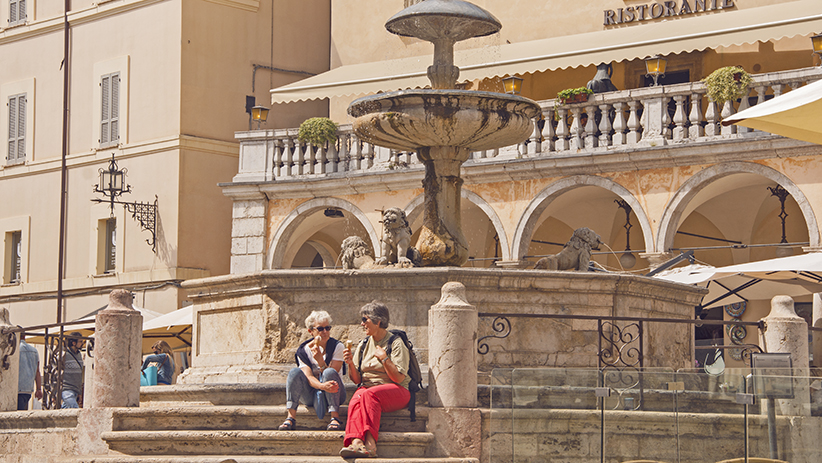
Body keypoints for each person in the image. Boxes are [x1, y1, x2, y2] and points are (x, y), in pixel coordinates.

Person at [339, 301, 410, 459]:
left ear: (378, 322)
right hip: (369, 390)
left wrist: (385, 359)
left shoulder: (396, 343)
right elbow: (357, 379)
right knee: (356, 398)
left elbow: (399, 378)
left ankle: (370, 445)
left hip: (397, 390)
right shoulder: (363, 344)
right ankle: (357, 442)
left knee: (368, 395)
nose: (362, 324)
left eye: (365, 320)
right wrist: (350, 364)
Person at [279, 310, 346, 431]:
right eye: (320, 329)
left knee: (328, 372)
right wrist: (321, 386)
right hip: (312, 393)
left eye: (327, 328)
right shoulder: (303, 351)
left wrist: (320, 361)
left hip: (335, 392)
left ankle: (335, 417)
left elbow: (333, 373)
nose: (325, 332)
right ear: (311, 331)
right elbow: (308, 377)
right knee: (294, 372)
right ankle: (290, 417)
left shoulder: (338, 346)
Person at [17, 331, 42, 410]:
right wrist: (38, 389)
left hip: (17, 389)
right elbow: (37, 371)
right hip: (28, 389)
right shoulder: (34, 351)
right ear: (24, 336)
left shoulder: (14, 350)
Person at [61, 332, 85, 409]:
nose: (82, 343)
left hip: (75, 390)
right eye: (80, 341)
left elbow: (79, 374)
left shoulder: (79, 355)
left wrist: (79, 392)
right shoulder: (65, 354)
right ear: (74, 343)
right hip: (67, 389)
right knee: (74, 409)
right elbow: (57, 372)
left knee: (66, 411)